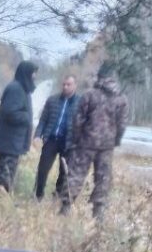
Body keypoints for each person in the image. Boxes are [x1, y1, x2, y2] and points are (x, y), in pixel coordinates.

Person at [61, 62, 129, 218]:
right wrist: (115, 140)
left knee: (77, 174)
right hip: (107, 145)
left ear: (100, 76)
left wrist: (77, 138)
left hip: (86, 142)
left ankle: (66, 207)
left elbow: (77, 120)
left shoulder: (89, 95)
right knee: (103, 177)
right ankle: (99, 212)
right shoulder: (121, 99)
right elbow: (122, 124)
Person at [0, 61, 39, 192]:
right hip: (9, 143)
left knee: (8, 177)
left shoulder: (23, 89)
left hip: (14, 143)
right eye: (33, 73)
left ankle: (1, 202)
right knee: (4, 177)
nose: (34, 76)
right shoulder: (15, 89)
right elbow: (10, 112)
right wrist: (27, 117)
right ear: (26, 73)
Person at [33, 74, 78, 200]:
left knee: (64, 171)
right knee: (42, 169)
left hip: (68, 142)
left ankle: (57, 196)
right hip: (51, 140)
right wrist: (37, 135)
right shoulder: (52, 100)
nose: (65, 87)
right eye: (64, 84)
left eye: (68, 84)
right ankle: (38, 195)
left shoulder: (80, 103)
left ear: (75, 85)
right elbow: (43, 120)